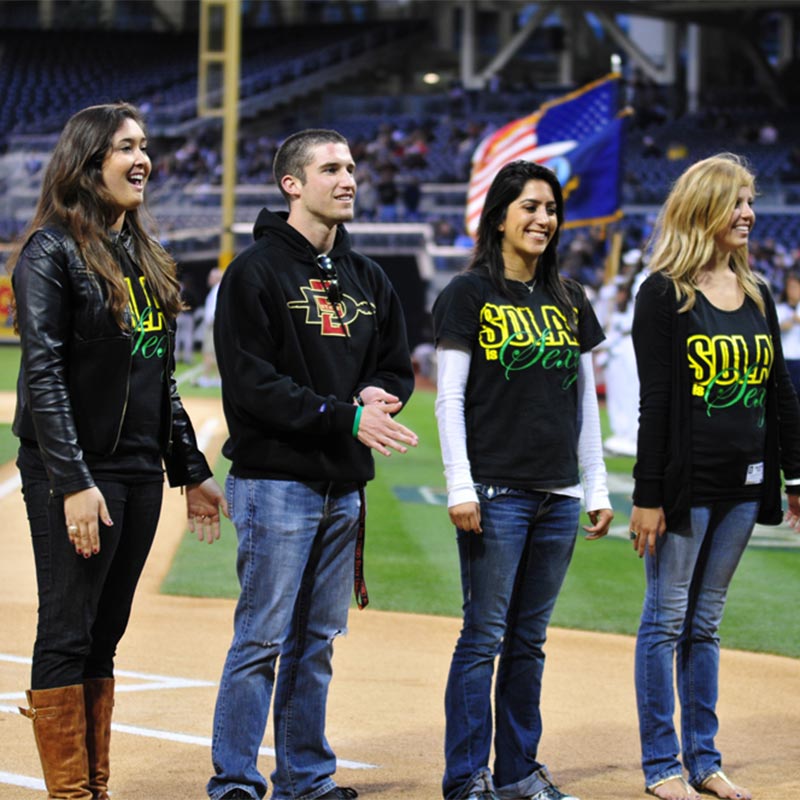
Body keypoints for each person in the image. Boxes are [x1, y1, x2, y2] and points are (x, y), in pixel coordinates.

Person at [9, 102, 227, 800]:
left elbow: (158, 374)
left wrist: (190, 470)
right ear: (88, 160)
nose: (143, 160)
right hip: (75, 471)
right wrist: (73, 480)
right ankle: (71, 793)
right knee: (68, 627)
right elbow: (41, 372)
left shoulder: (142, 255)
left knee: (105, 632)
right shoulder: (50, 251)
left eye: (145, 146)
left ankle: (93, 787)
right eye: (125, 147)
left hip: (134, 468)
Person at [207, 129, 418, 800]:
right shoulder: (255, 272)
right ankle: (236, 781)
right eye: (332, 167)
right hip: (275, 483)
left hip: (343, 486)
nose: (349, 177)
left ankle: (305, 777)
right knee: (262, 640)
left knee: (317, 643)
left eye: (352, 165)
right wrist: (346, 416)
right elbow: (251, 385)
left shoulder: (368, 277)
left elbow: (395, 365)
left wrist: (381, 394)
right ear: (292, 184)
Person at [432, 160, 614, 800]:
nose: (543, 219)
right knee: (483, 637)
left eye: (551, 209)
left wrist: (594, 484)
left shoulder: (571, 298)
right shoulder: (467, 293)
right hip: (497, 491)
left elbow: (585, 402)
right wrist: (460, 483)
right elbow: (448, 399)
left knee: (529, 642)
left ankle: (516, 771)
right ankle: (465, 777)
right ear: (501, 215)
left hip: (559, 494)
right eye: (530, 207)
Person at [629, 153, 800, 800]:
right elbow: (655, 402)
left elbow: (780, 393)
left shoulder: (756, 293)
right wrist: (648, 497)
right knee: (667, 620)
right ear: (703, 208)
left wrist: (797, 478)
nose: (750, 214)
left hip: (743, 484)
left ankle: (704, 759)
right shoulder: (662, 294)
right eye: (737, 202)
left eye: (751, 201)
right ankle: (661, 765)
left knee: (706, 624)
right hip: (684, 486)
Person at [776, 269, 800, 397]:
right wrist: (790, 322)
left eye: (796, 287)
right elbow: (775, 328)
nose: (793, 291)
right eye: (790, 287)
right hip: (785, 357)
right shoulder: (779, 308)